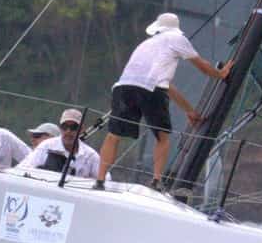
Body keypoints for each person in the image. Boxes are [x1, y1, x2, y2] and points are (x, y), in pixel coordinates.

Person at [96, 12, 230, 187]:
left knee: (113, 135)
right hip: (150, 90)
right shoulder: (177, 38)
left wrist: (190, 111)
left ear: (158, 28)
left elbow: (166, 87)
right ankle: (156, 181)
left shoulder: (145, 44)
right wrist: (221, 74)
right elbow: (203, 66)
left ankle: (99, 180)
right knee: (162, 136)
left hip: (123, 88)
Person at [24, 108, 100, 178]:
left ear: (81, 129)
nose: (68, 131)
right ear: (60, 128)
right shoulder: (46, 146)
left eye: (73, 127)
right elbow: (25, 169)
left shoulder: (91, 155)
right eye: (64, 126)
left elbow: (103, 181)